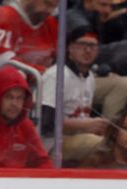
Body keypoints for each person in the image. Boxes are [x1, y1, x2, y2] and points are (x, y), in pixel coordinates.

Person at [40, 27, 106, 165]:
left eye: (92, 46)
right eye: (82, 44)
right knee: (102, 145)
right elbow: (46, 124)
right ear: (70, 47)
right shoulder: (56, 75)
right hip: (52, 144)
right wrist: (84, 125)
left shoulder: (91, 79)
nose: (88, 50)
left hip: (77, 138)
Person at [0, 0, 58, 98]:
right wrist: (44, 73)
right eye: (47, 3)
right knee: (13, 80)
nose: (49, 10)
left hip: (38, 80)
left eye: (54, 6)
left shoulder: (51, 23)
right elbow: (6, 65)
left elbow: (59, 60)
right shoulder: (4, 15)